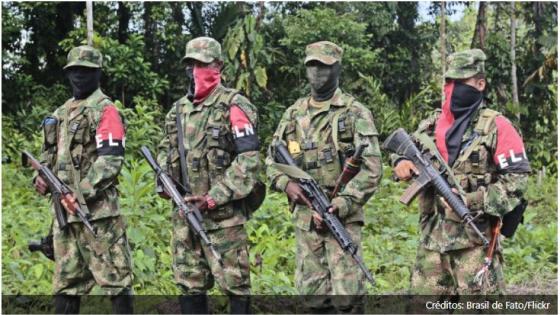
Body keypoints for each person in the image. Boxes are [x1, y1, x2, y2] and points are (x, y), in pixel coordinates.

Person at [392, 49, 530, 294]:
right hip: (432, 245)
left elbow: (517, 182)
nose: (452, 88)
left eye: (459, 82)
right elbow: (402, 149)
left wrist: (471, 200)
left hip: (474, 246)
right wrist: (400, 162)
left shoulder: (498, 127)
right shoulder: (432, 125)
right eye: (448, 81)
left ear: (480, 83)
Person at [265, 41, 382, 313]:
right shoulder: (293, 114)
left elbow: (372, 169)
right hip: (307, 222)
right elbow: (272, 161)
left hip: (342, 219)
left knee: (348, 299)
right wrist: (287, 185)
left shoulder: (354, 113)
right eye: (312, 66)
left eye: (324, 67)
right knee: (312, 299)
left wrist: (342, 203)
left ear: (337, 68)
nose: (318, 73)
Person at [157, 37, 260, 314]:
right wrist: (164, 181)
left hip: (223, 221)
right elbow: (164, 152)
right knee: (189, 286)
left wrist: (213, 198)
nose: (195, 71)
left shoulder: (234, 106)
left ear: (218, 66)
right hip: (185, 218)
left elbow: (249, 161)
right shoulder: (177, 111)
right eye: (191, 64)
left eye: (203, 64)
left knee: (235, 287)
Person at [33, 45, 133, 313]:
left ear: (97, 73)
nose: (79, 76)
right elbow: (47, 155)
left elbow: (110, 160)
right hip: (64, 218)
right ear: (68, 74)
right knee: (66, 285)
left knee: (116, 282)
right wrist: (40, 176)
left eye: (86, 71)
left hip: (98, 217)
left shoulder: (105, 110)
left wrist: (81, 193)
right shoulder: (61, 113)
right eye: (75, 71)